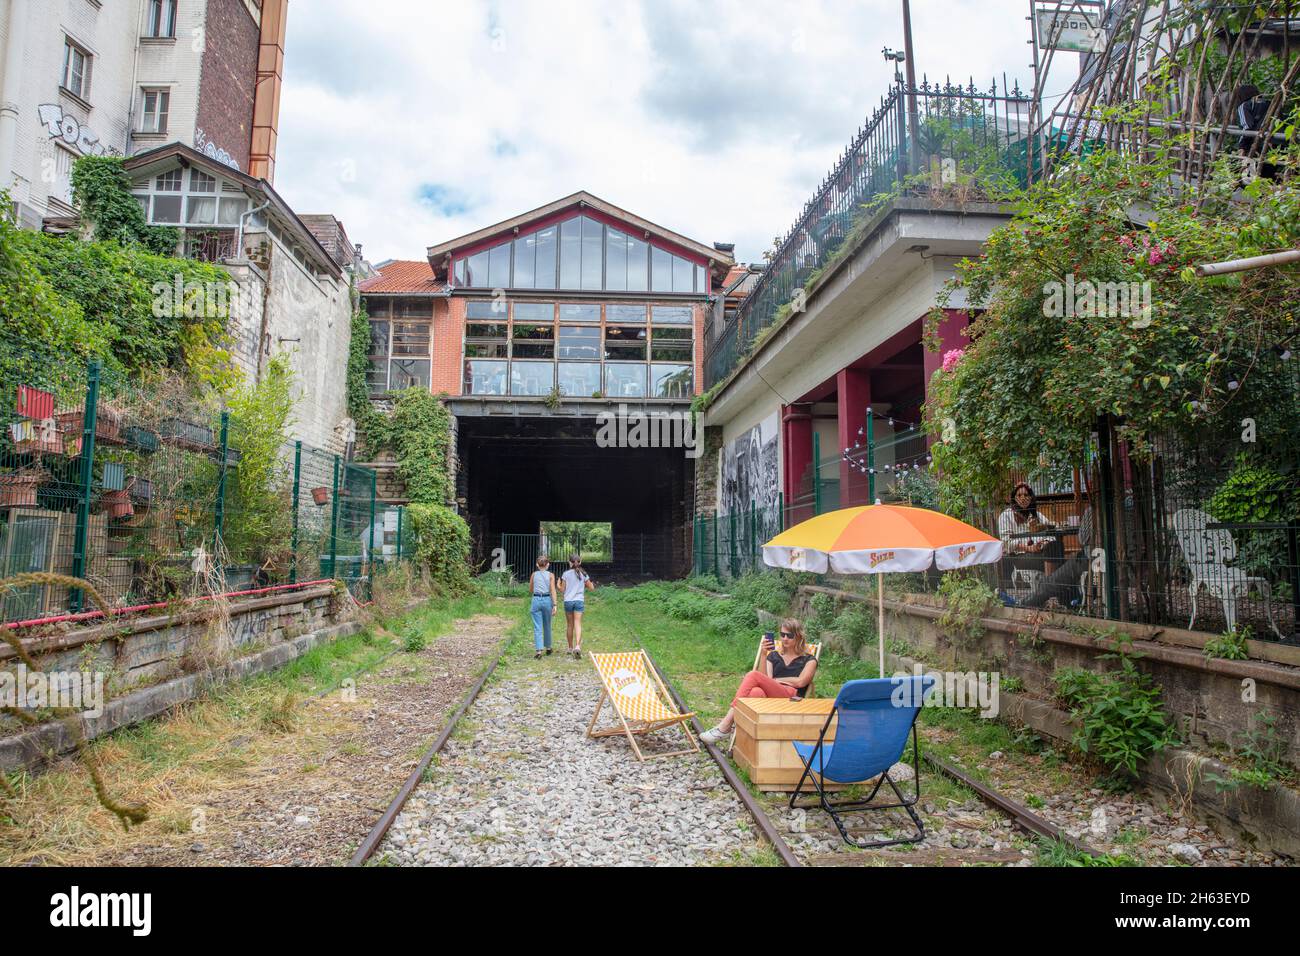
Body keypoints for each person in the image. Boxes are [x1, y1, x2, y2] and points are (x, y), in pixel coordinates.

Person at [699, 619, 818, 746]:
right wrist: (763, 654)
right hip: (771, 696)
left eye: (789, 635)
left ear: (798, 636)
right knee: (756, 691)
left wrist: (776, 681)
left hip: (792, 698)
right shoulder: (774, 656)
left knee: (753, 674)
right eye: (782, 634)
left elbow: (801, 682)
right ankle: (751, 745)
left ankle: (725, 725)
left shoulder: (809, 660)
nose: (784, 638)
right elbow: (764, 677)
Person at [997, 482, 1065, 588]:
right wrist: (1030, 548)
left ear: (1031, 497)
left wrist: (1044, 542)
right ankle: (1050, 591)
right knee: (1055, 554)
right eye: (1019, 495)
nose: (1023, 498)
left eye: (1026, 495)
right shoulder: (1006, 516)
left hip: (1041, 552)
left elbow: (1050, 529)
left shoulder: (1036, 514)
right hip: (1020, 557)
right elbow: (1006, 543)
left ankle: (1052, 590)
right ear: (1014, 498)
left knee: (1057, 546)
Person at [560, 554, 595, 658]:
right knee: (578, 623)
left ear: (569, 562)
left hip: (568, 601)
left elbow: (562, 589)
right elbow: (592, 588)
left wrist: (558, 585)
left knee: (570, 625)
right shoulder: (584, 574)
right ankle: (578, 646)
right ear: (580, 562)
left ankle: (570, 648)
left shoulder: (565, 574)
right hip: (579, 601)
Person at [528, 554, 559, 660]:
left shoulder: (533, 575)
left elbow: (531, 589)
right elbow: (553, 590)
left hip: (536, 600)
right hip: (546, 600)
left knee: (537, 626)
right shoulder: (551, 575)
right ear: (548, 565)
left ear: (537, 565)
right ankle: (549, 647)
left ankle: (539, 650)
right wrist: (555, 604)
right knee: (547, 624)